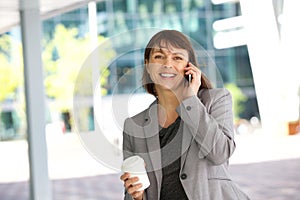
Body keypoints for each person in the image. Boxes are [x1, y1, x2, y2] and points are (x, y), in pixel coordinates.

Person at [120, 30, 250, 200]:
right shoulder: (133, 126)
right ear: (147, 65)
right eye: (159, 56)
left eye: (177, 58)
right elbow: (131, 191)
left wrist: (190, 100)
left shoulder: (216, 100)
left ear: (190, 67)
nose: (167, 63)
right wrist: (137, 196)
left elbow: (220, 153)